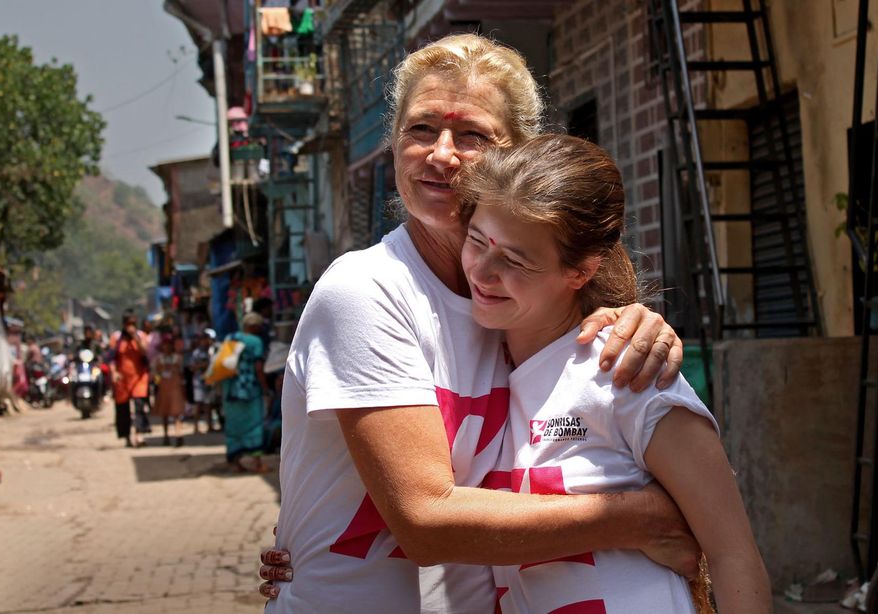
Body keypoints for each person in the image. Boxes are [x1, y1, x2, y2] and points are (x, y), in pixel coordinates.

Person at [262, 33, 693, 613]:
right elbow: (425, 521)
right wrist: (638, 517)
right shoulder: (365, 290)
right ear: (393, 145)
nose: (441, 154)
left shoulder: (515, 306)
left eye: (472, 135)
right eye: (420, 129)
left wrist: (636, 323)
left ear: (520, 156)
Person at [456, 134, 770, 613]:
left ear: (580, 271)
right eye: (477, 240)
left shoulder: (626, 371)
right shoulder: (477, 367)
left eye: (515, 260)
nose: (483, 270)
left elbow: (734, 555)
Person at [222, 312, 269, 473]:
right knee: (254, 424)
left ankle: (236, 463)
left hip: (230, 390)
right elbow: (258, 368)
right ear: (253, 326)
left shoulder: (230, 337)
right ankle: (257, 463)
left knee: (233, 426)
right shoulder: (256, 341)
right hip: (250, 390)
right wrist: (265, 388)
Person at [110, 312, 151, 448]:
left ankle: (139, 435)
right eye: (128, 324)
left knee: (139, 406)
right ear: (123, 325)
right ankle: (126, 436)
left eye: (133, 324)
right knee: (123, 409)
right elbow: (111, 358)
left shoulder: (141, 336)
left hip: (139, 377)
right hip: (122, 379)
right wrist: (114, 372)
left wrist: (135, 337)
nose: (131, 327)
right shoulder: (116, 338)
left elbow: (145, 352)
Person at [151, 334, 186, 447]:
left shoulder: (178, 358)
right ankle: (166, 435)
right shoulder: (158, 359)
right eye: (165, 344)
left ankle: (178, 434)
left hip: (175, 387)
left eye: (169, 344)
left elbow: (182, 374)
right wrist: (158, 381)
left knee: (177, 412)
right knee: (164, 413)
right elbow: (154, 375)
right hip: (164, 388)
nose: (167, 347)